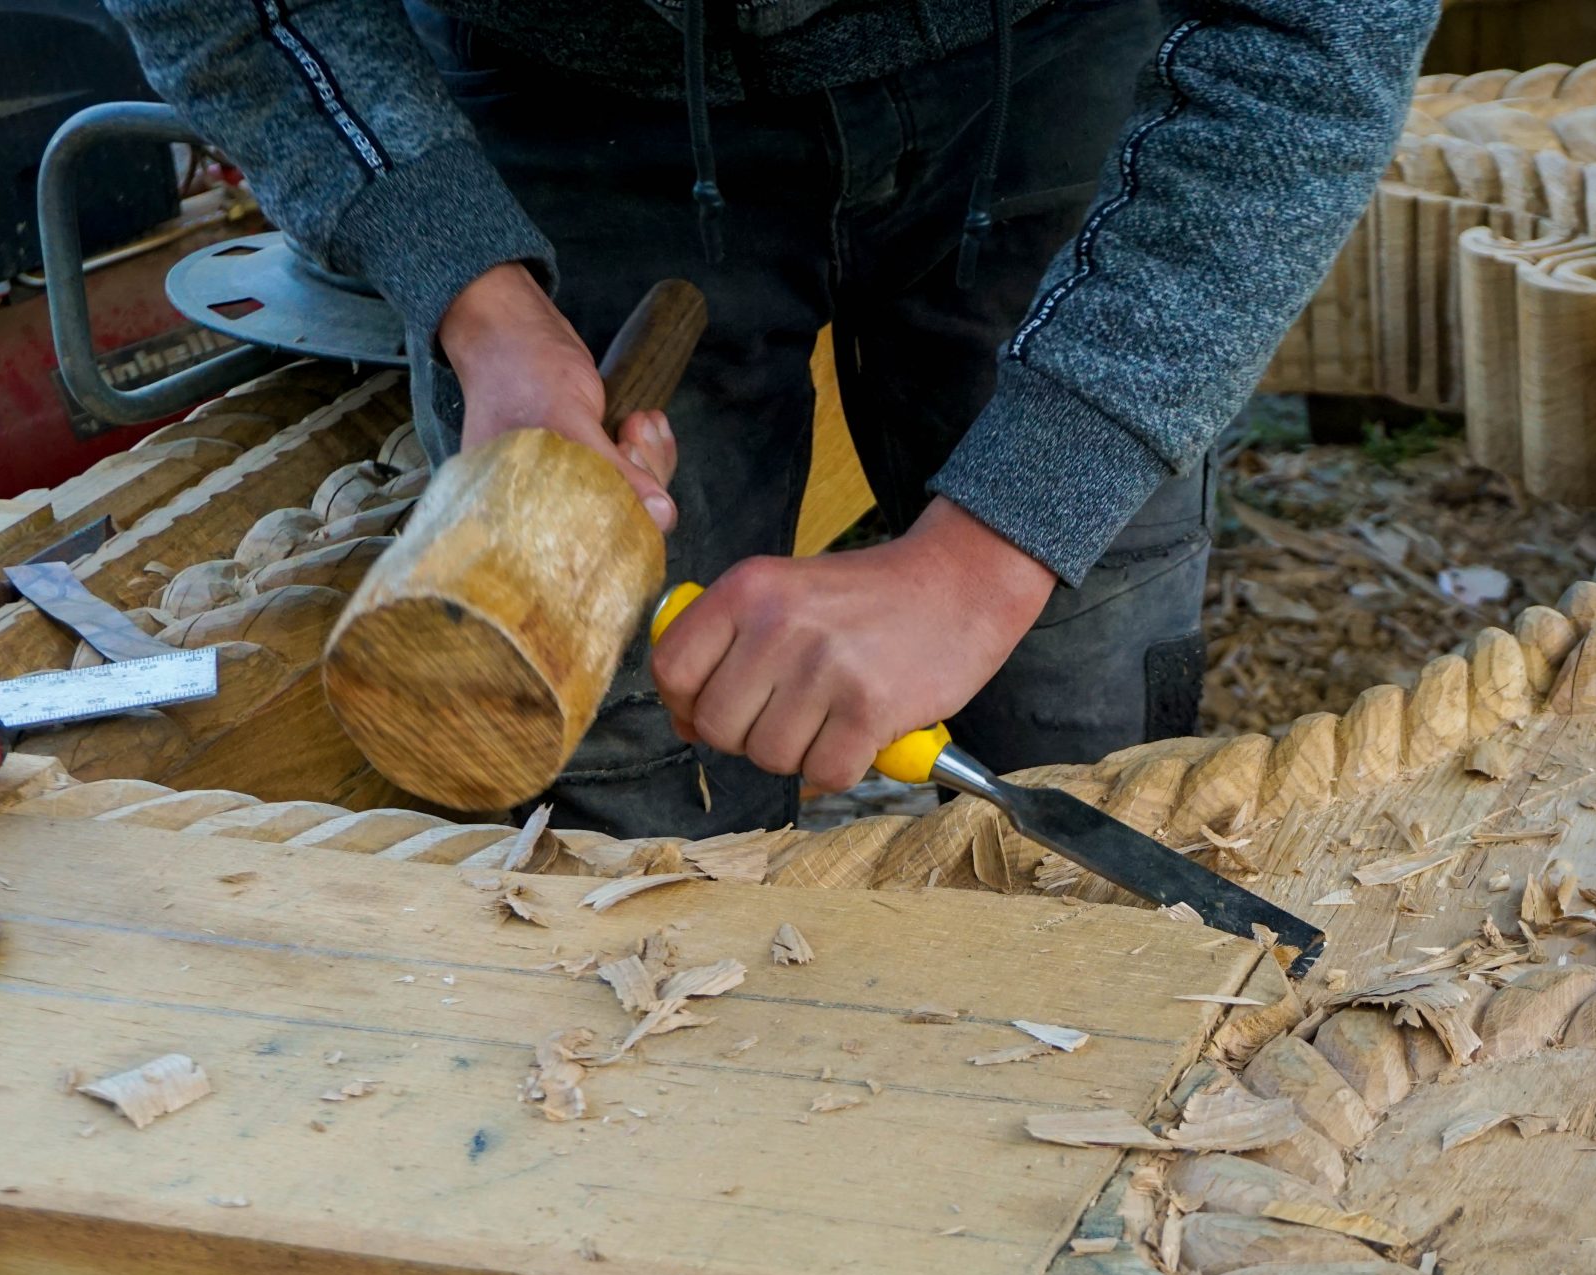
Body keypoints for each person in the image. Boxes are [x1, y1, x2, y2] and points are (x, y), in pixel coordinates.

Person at [106, 0, 1437, 836]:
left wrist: (987, 560)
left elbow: (1316, 33)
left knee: (1081, 703)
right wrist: (481, 301)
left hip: (1035, 50)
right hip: (563, 68)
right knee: (604, 736)